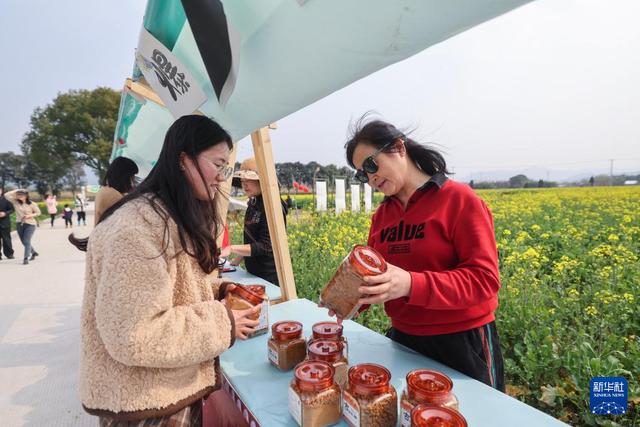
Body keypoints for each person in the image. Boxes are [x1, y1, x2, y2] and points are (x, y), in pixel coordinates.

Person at [80, 115, 260, 426]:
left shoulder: (164, 214)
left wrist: (217, 292)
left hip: (164, 392)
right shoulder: (134, 229)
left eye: (226, 168)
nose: (222, 178)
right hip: (145, 407)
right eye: (218, 165)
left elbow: (172, 288)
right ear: (183, 160)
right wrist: (222, 321)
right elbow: (135, 335)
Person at [330, 117, 505, 391]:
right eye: (362, 174)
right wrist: (348, 300)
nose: (371, 177)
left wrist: (411, 284)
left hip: (462, 343)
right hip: (404, 341)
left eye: (372, 165)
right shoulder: (382, 216)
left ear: (399, 148)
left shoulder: (459, 200)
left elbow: (484, 281)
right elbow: (376, 277)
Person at [220, 158, 288, 286]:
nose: (244, 184)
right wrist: (239, 258)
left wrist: (232, 248)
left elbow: (266, 246)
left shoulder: (273, 205)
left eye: (249, 180)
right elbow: (252, 240)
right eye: (242, 180)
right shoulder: (253, 202)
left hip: (269, 277)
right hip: (253, 274)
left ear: (262, 181)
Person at [68, 157, 139, 252]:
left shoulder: (107, 190)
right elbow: (126, 223)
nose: (134, 180)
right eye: (132, 176)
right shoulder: (111, 195)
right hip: (110, 248)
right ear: (124, 176)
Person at [5, 189, 41, 265]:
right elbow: (6, 195)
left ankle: (26, 258)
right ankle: (33, 252)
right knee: (23, 241)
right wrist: (18, 190)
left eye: (21, 195)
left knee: (26, 241)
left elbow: (38, 213)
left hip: (30, 224)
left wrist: (29, 215)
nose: (19, 196)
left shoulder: (32, 204)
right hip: (19, 224)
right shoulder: (15, 202)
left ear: (26, 196)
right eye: (18, 195)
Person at [0, 188, 15, 260]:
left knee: (7, 240)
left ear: (1, 191)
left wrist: (5, 213)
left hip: (5, 223)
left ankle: (9, 254)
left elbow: (12, 209)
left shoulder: (6, 200)